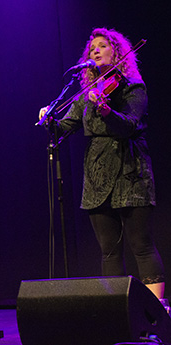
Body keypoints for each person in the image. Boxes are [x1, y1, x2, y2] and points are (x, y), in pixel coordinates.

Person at [39, 28, 165, 300]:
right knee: (108, 248)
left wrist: (107, 110)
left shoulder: (133, 86)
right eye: (92, 47)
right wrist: (49, 119)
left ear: (116, 52)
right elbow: (66, 126)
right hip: (97, 173)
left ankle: (158, 312)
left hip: (130, 168)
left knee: (141, 244)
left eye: (102, 46)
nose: (95, 50)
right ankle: (117, 312)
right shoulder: (87, 92)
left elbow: (130, 125)